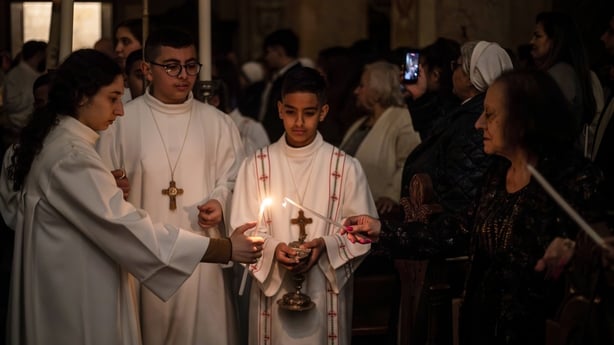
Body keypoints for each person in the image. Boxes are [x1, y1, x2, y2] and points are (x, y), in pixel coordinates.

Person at [0, 48, 263, 345]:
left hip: (64, 288)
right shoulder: (72, 157)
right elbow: (130, 229)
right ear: (81, 96)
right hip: (76, 302)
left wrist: (102, 185)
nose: (121, 109)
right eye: (113, 98)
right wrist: (225, 248)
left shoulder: (59, 144)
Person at [97, 27, 245, 345]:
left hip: (203, 260)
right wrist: (113, 186)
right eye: (172, 66)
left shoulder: (218, 123)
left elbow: (236, 179)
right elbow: (101, 187)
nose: (184, 75)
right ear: (148, 70)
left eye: (191, 65)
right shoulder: (120, 123)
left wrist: (220, 201)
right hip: (143, 261)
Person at [230, 66, 378, 345]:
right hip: (270, 301)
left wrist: (325, 245)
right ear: (279, 109)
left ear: (323, 112)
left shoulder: (345, 167)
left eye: (309, 113)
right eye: (290, 112)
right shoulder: (256, 165)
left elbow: (364, 233)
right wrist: (274, 250)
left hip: (324, 294)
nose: (299, 122)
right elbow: (241, 229)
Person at [340, 60, 421, 217]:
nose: (356, 91)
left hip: (377, 208)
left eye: (362, 86)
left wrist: (392, 195)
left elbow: (408, 161)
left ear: (377, 91)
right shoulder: (360, 123)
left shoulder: (402, 118)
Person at [529, 11, 601, 157]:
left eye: (538, 36)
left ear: (556, 40)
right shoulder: (566, 73)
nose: (531, 42)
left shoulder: (560, 76)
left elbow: (546, 128)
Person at [403, 37, 461, 141]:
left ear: (435, 75)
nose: (416, 71)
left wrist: (420, 100)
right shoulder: (455, 102)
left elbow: (429, 143)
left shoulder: (442, 110)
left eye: (420, 66)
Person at [258, 28, 303, 141]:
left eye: (268, 52)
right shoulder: (279, 77)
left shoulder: (296, 77)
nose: (266, 57)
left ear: (279, 51)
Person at [1, 40, 47, 134]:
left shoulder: (36, 74)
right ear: (39, 55)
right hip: (17, 129)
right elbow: (11, 104)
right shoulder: (15, 74)